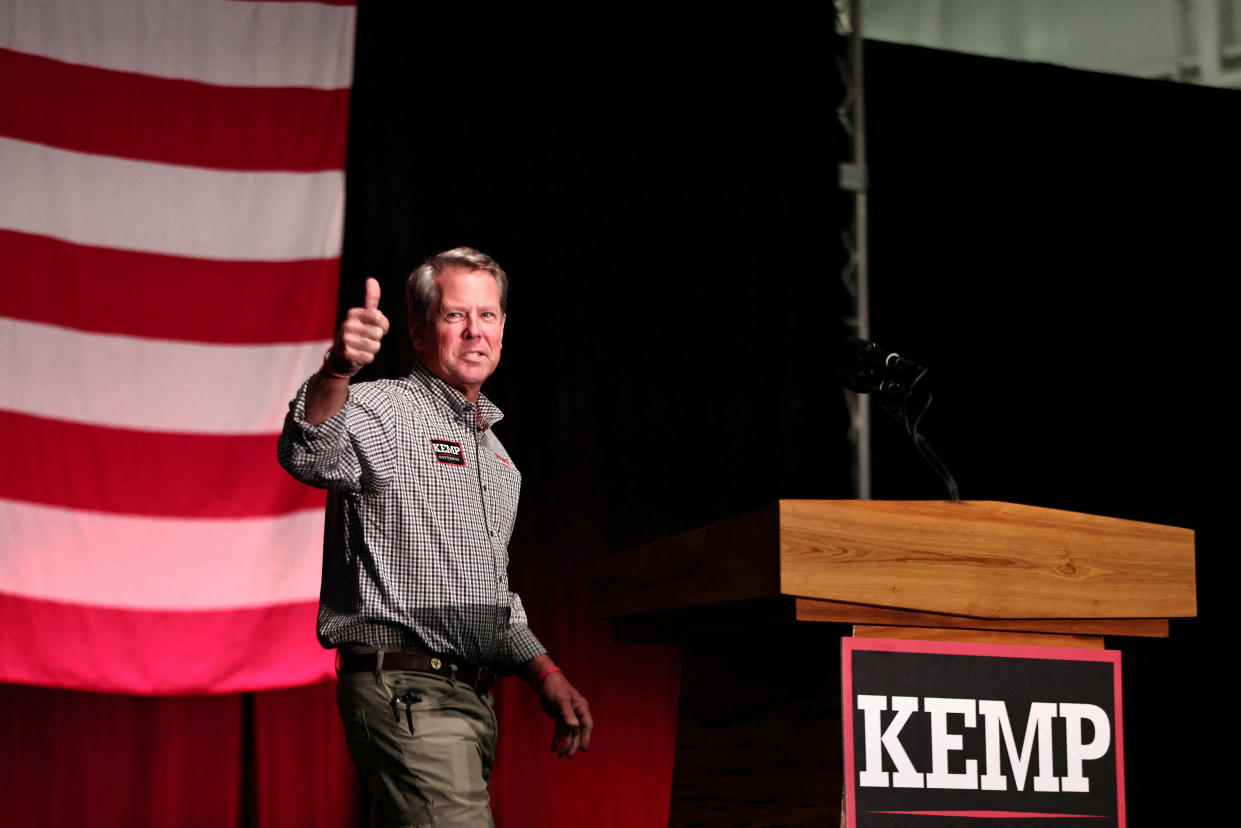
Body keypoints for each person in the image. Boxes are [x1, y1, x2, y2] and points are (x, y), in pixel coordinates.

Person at [278, 246, 592, 826]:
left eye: (488, 315)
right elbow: (307, 451)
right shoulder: (383, 410)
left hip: (472, 702)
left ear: (503, 327)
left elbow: (491, 596)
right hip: (407, 691)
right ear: (420, 334)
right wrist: (339, 369)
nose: (475, 331)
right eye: (454, 316)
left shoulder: (500, 461)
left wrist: (544, 672)